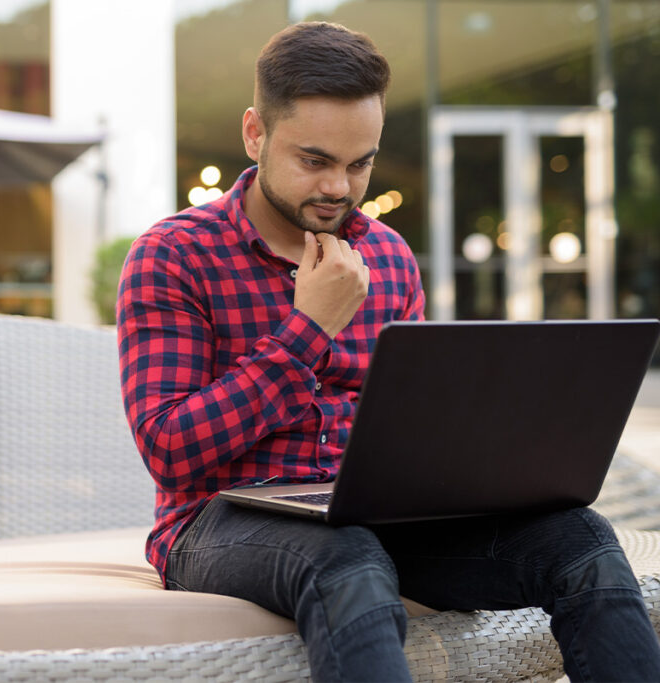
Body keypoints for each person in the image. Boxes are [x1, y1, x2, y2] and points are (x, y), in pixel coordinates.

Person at [116, 20, 660, 682]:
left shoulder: (390, 258)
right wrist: (309, 328)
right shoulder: (174, 255)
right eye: (314, 160)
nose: (340, 188)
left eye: (360, 163)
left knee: (583, 540)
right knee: (347, 560)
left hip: (381, 513)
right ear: (255, 134)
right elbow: (170, 449)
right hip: (218, 518)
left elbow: (419, 427)